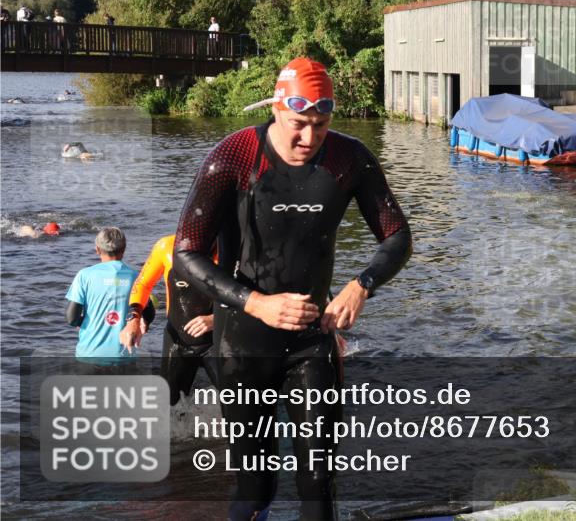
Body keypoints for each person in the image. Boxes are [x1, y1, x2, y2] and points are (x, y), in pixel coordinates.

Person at [173, 57, 412, 521]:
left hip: (311, 341)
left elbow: (397, 236)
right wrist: (256, 303)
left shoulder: (348, 159)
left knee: (318, 480)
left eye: (320, 126)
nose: (309, 138)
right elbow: (187, 252)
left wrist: (361, 286)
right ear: (276, 109)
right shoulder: (235, 156)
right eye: (298, 124)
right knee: (255, 483)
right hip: (242, 343)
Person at [119, 234, 219, 405]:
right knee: (168, 405)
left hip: (218, 341)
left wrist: (215, 319)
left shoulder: (230, 249)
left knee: (239, 402)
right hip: (178, 341)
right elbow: (143, 284)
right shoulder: (165, 246)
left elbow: (248, 297)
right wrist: (133, 319)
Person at [65, 227, 153, 365]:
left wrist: (82, 322)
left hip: (89, 355)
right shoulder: (137, 277)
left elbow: (71, 318)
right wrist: (143, 323)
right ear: (124, 249)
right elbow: (149, 312)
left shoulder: (85, 275)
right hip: (125, 356)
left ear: (97, 249)